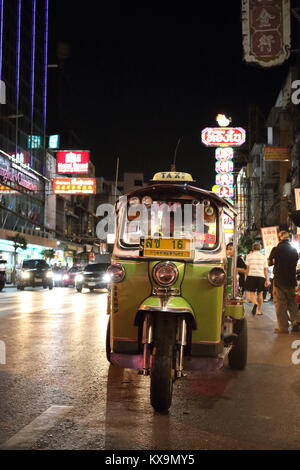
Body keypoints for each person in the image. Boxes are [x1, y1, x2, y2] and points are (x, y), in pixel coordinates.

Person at [268, 231, 300, 334]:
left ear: (279, 238)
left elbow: (269, 263)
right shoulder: (294, 250)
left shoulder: (276, 249)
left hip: (279, 281)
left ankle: (283, 328)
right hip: (291, 280)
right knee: (292, 302)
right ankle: (295, 321)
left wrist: (275, 262)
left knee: (280, 304)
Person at [245, 242, 269, 315]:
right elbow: (265, 269)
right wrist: (267, 279)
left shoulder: (249, 256)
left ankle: (255, 303)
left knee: (252, 293)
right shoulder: (264, 257)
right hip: (261, 276)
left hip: (251, 275)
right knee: (260, 293)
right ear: (260, 248)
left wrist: (246, 277)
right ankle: (259, 310)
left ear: (253, 248)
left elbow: (247, 268)